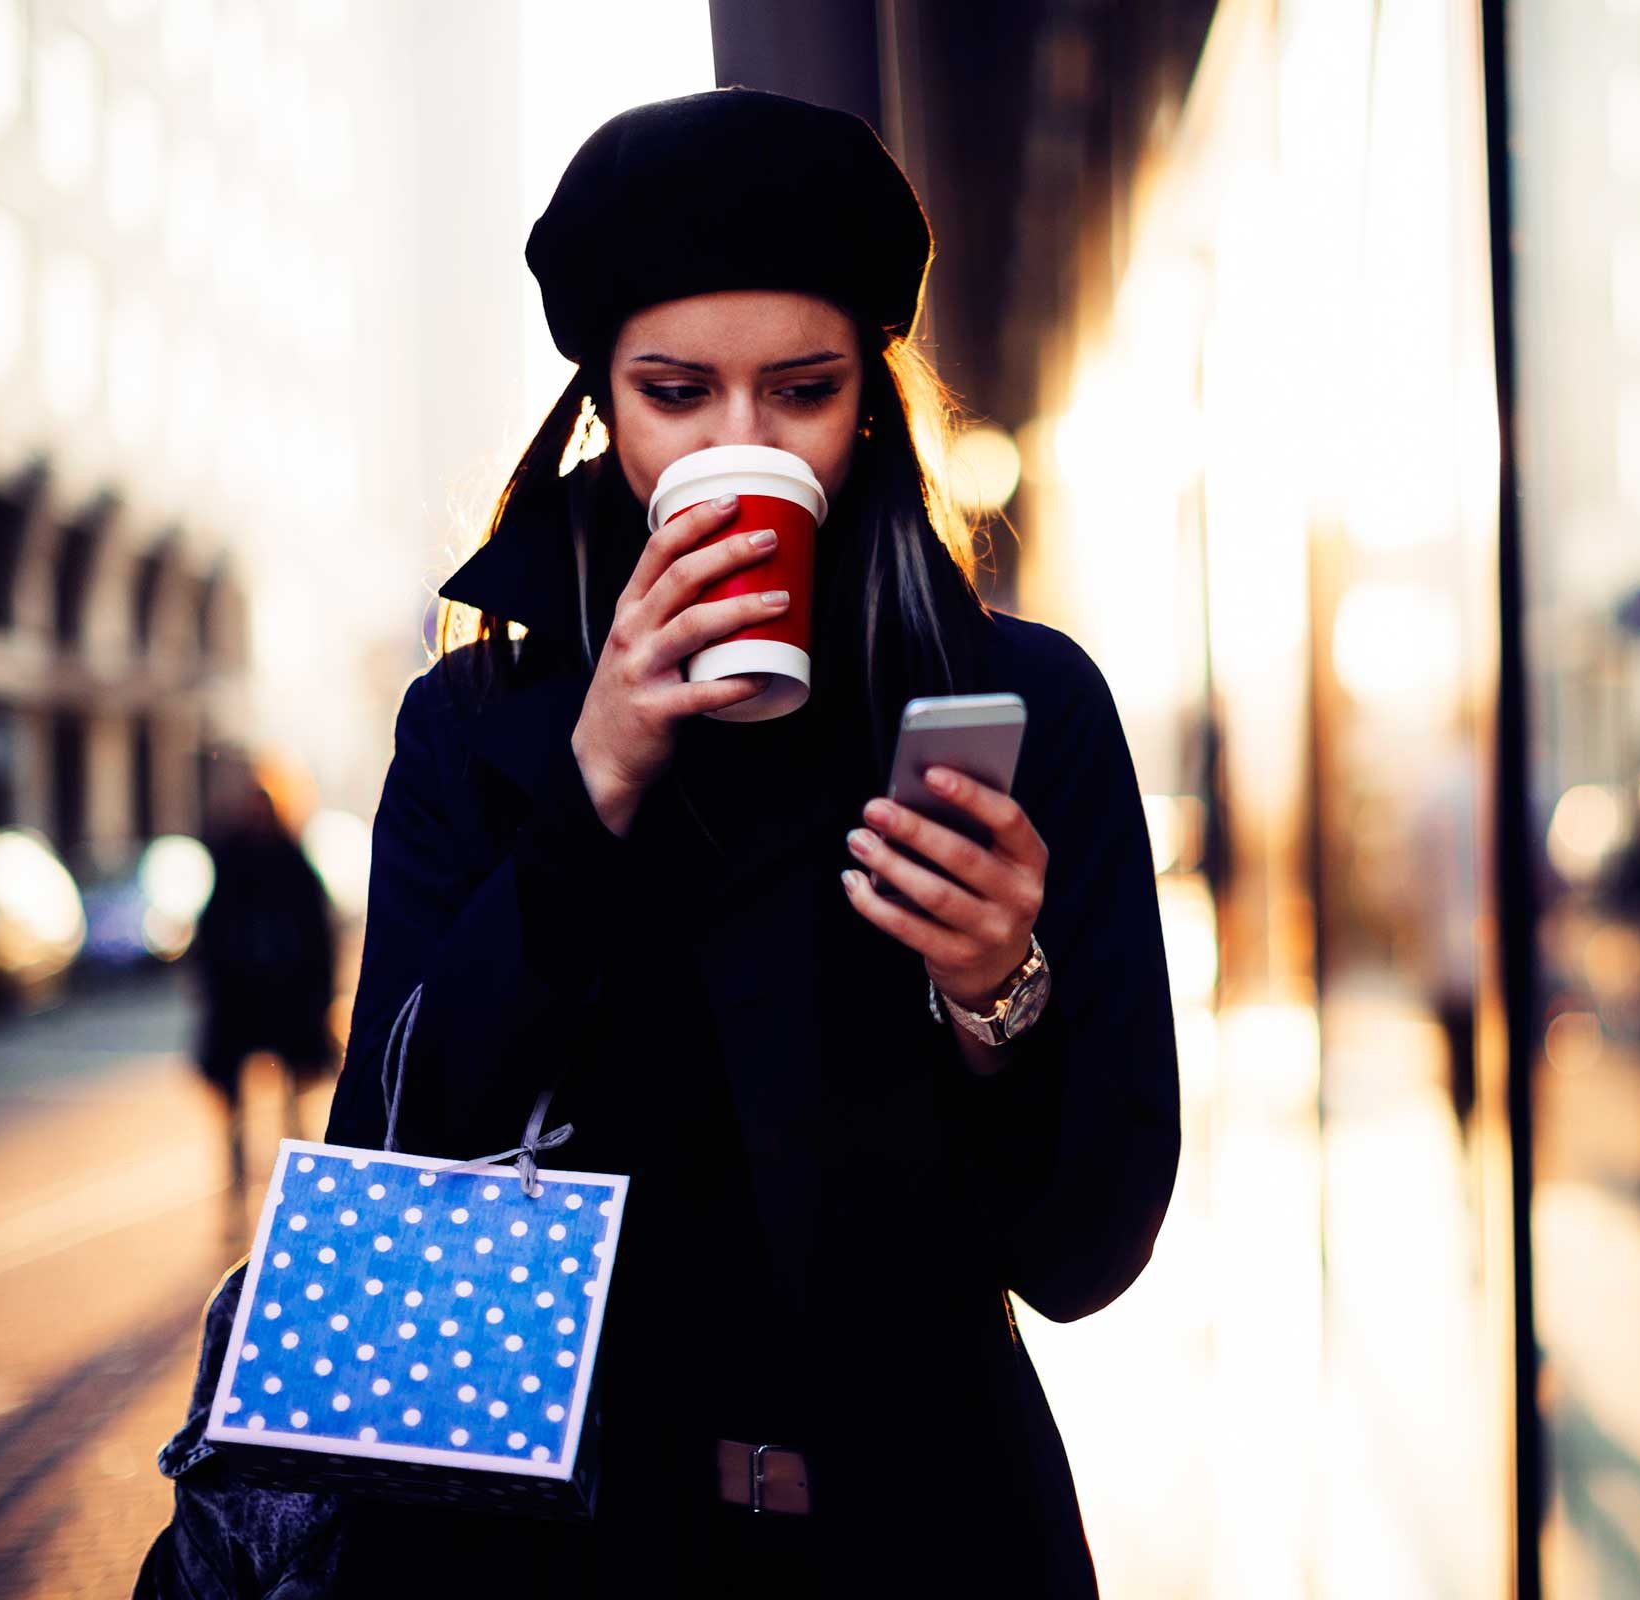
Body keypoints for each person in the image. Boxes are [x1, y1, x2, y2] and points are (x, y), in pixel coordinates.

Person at [315, 88, 1180, 1593]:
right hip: (565, 1555)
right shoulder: (479, 727)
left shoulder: (1020, 708)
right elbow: (394, 1173)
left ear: (869, 399)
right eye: (676, 391)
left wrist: (998, 992)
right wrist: (587, 796)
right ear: (602, 403)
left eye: (801, 390)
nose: (741, 442)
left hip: (933, 1536)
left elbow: (1088, 1254)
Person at [190, 753, 339, 1195]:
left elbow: (318, 936)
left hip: (287, 1000)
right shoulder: (232, 862)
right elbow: (212, 932)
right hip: (240, 1000)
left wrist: (319, 997)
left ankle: (299, 1191)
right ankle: (237, 1190)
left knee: (294, 1106)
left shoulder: (292, 865)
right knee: (234, 1108)